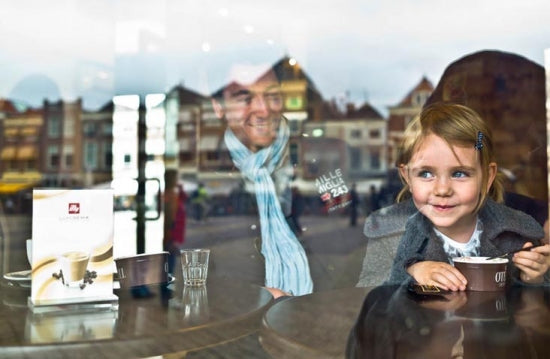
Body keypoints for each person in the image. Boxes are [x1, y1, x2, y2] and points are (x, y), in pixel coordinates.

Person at [359, 102, 550, 290]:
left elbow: (534, 309)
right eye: (426, 173)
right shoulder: (388, 235)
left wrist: (534, 279)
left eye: (459, 173)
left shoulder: (520, 233)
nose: (442, 190)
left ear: (488, 176)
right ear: (407, 176)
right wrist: (412, 272)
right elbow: (374, 305)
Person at [211, 63, 313, 297]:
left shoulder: (313, 159)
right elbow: (191, 282)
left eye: (272, 96)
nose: (263, 109)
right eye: (244, 98)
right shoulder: (211, 167)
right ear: (219, 107)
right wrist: (249, 299)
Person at [164, 182, 187, 275]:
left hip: (172, 238)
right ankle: (166, 288)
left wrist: (180, 188)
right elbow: (174, 223)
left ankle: (167, 287)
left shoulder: (176, 200)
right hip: (171, 238)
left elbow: (184, 197)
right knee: (169, 264)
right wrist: (173, 240)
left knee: (170, 264)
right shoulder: (171, 203)